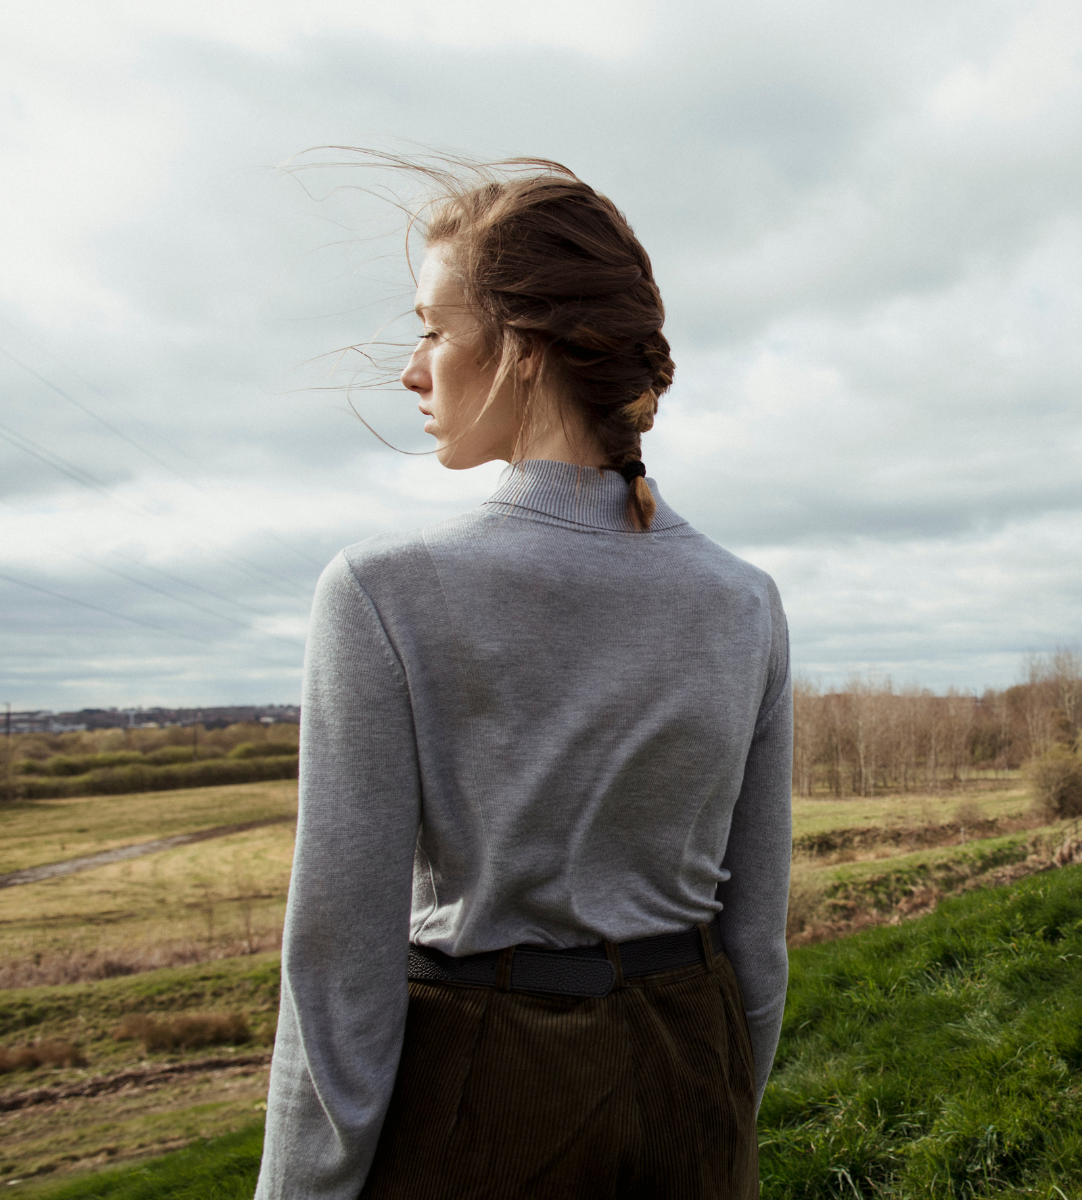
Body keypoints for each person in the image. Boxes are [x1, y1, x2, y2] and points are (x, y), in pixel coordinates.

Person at [256, 158, 792, 1200]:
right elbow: (754, 943)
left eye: (434, 328)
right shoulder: (743, 600)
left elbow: (338, 969)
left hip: (479, 1099)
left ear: (526, 350)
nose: (414, 370)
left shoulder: (382, 591)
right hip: (694, 1073)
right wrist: (722, 1109)